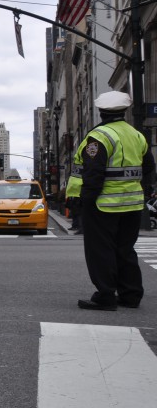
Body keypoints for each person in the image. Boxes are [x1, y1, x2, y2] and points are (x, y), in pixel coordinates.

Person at [66, 91, 156, 310]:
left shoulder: (99, 137)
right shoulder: (136, 135)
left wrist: (84, 201)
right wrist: (141, 192)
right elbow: (148, 168)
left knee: (101, 250)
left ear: (101, 112)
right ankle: (131, 295)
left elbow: (93, 175)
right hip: (133, 205)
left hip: (103, 205)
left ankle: (105, 295)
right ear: (123, 111)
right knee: (125, 249)